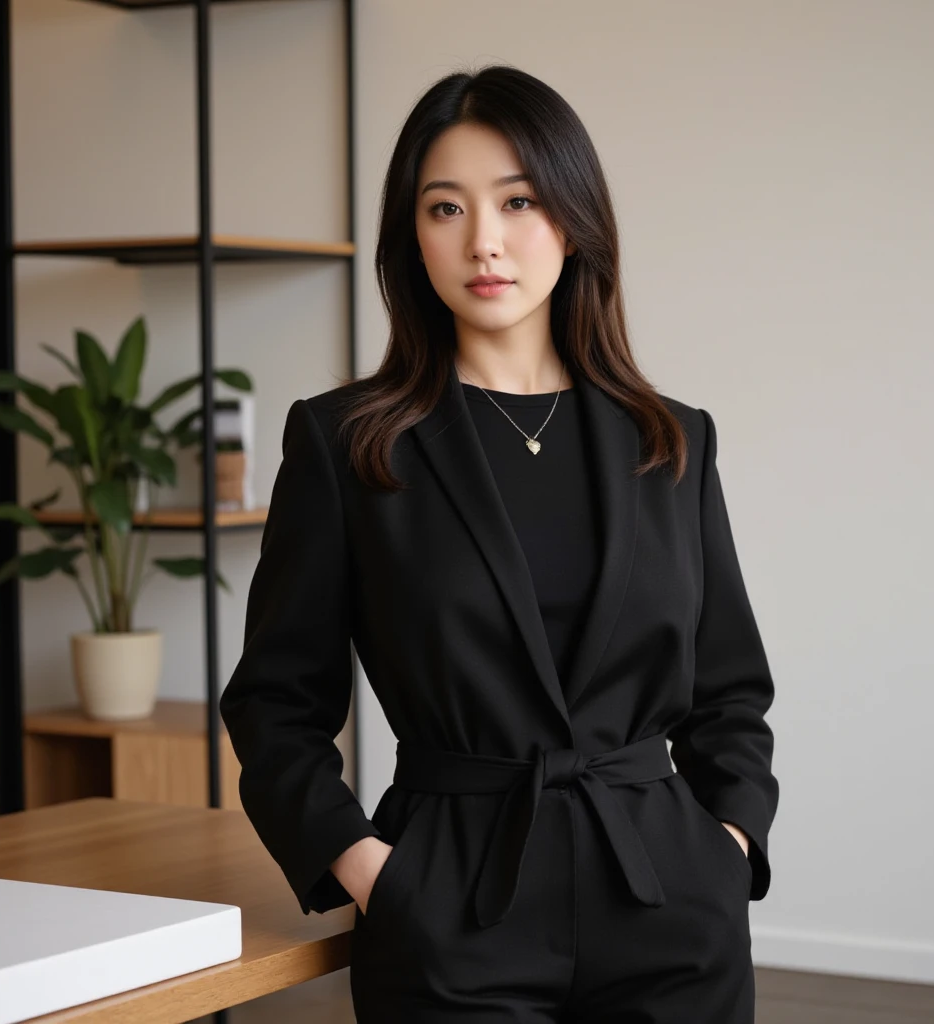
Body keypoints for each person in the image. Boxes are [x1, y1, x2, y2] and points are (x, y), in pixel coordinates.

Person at [219, 63, 779, 1024]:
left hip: (668, 905)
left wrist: (727, 847)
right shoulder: (349, 442)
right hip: (451, 908)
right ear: (414, 239)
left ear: (573, 219)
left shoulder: (671, 439)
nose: (484, 240)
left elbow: (729, 689)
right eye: (445, 208)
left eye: (517, 200)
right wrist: (373, 874)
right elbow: (275, 705)